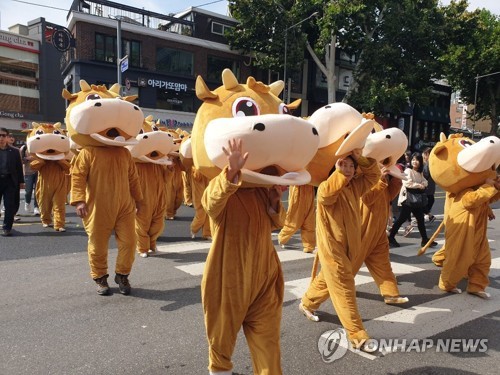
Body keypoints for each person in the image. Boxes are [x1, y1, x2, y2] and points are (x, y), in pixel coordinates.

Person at [201, 139, 286, 374]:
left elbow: (279, 224)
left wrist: (274, 203)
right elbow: (210, 203)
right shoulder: (225, 190)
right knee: (221, 341)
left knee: (268, 344)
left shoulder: (262, 192)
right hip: (229, 279)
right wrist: (231, 172)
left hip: (264, 279)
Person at [299, 150, 380, 350]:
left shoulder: (354, 187)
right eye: (343, 164)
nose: (348, 169)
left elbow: (374, 176)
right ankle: (356, 334)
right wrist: (340, 174)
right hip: (332, 248)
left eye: (352, 166)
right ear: (335, 167)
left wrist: (358, 156)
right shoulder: (327, 186)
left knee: (328, 279)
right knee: (344, 285)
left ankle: (308, 302)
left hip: (350, 247)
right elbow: (327, 196)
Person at [388, 152, 437, 248]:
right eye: (413, 159)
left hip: (416, 199)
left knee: (420, 219)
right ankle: (391, 236)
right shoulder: (408, 171)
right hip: (408, 199)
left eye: (417, 160)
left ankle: (424, 239)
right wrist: (419, 185)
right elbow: (407, 183)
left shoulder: (419, 172)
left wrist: (423, 184)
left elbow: (425, 181)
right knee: (402, 219)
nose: (415, 162)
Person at [278, 184, 316, 253]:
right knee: (293, 221)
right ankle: (282, 237)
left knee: (309, 222)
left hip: (309, 190)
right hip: (298, 190)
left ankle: (308, 246)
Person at [0, 128, 24, 236]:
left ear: (8, 137)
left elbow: (19, 167)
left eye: (3, 135)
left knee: (9, 205)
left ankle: (7, 228)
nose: (1, 138)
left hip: (10, 181)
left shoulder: (14, 151)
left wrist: (21, 182)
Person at [20, 144, 39, 215]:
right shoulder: (24, 148)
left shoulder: (40, 146)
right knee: (28, 190)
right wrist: (27, 158)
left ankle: (36, 207)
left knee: (37, 190)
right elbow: (20, 160)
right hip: (28, 172)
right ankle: (27, 202)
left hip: (38, 172)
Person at [422, 147, 436, 223]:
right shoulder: (431, 162)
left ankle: (428, 215)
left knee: (426, 201)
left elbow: (425, 174)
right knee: (429, 200)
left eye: (424, 154)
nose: (423, 156)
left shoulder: (428, 163)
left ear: (427, 154)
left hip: (427, 186)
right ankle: (428, 215)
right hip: (429, 186)